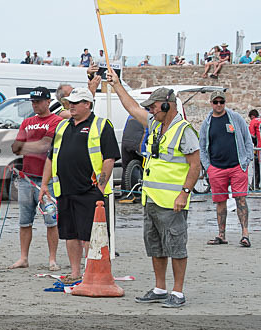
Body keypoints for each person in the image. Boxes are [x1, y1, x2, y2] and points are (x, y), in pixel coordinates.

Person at [108, 75, 201, 308]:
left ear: (168, 105)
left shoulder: (184, 130)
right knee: (155, 246)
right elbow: (130, 106)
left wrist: (184, 193)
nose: (150, 110)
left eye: (154, 106)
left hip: (173, 201)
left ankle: (178, 292)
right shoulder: (155, 125)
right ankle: (160, 288)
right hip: (151, 198)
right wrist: (117, 85)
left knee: (176, 247)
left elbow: (195, 165)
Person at [38, 87, 119, 284]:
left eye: (75, 103)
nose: (71, 106)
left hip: (89, 190)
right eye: (69, 103)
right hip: (65, 189)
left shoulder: (101, 125)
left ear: (87, 104)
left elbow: (109, 158)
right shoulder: (62, 127)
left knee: (90, 235)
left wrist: (101, 186)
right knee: (70, 234)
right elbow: (51, 157)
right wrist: (44, 184)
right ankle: (75, 272)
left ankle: (92, 272)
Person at [10, 87, 63, 271]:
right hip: (26, 177)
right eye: (33, 102)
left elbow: (45, 146)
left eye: (38, 101)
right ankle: (23, 257)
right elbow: (15, 147)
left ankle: (52, 259)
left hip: (47, 179)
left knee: (51, 220)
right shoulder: (27, 122)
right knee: (25, 221)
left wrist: (25, 146)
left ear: (48, 102)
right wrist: (26, 147)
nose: (35, 105)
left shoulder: (57, 121)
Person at [199, 91, 253, 247]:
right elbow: (202, 146)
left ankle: (245, 234)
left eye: (221, 102)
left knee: (241, 199)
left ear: (225, 102)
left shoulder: (235, 118)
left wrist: (247, 160)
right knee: (220, 201)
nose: (218, 105)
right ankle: (221, 235)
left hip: (237, 166)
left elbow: (247, 139)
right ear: (211, 103)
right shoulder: (207, 123)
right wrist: (208, 167)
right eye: (215, 102)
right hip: (216, 168)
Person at [249, 109, 260, 188]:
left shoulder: (254, 121)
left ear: (252, 116)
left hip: (259, 147)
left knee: (257, 166)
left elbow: (252, 136)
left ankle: (254, 185)